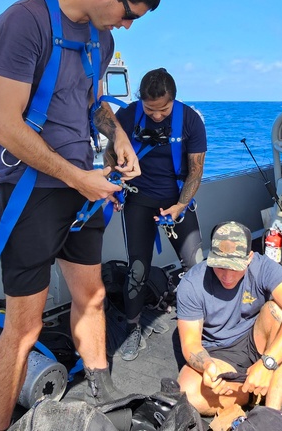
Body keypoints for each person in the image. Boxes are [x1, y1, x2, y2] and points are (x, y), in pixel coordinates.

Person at [0, 0, 161, 431]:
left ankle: (102, 391)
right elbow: (3, 124)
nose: (126, 27)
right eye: (128, 15)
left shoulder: (99, 40)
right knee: (25, 327)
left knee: (93, 294)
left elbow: (92, 101)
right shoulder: (23, 22)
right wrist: (76, 177)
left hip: (82, 186)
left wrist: (118, 133)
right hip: (31, 188)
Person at [105, 67, 207, 361]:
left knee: (196, 265)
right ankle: (133, 328)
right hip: (138, 200)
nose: (157, 115)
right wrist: (112, 177)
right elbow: (111, 151)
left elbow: (196, 171)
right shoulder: (128, 115)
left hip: (177, 201)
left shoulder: (190, 120)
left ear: (174, 100)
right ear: (141, 101)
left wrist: (180, 206)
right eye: (151, 109)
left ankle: (205, 324)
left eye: (163, 109)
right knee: (137, 268)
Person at [175, 221, 282, 416]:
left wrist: (268, 363)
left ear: (249, 258)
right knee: (187, 394)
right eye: (220, 266)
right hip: (218, 352)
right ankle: (262, 388)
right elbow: (191, 344)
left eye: (235, 267)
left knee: (280, 314)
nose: (227, 276)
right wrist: (207, 365)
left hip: (256, 340)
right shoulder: (192, 283)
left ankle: (271, 413)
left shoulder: (263, 266)